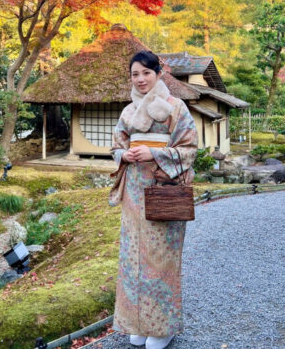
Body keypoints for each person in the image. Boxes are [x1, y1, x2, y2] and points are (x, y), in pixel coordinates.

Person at [108, 50, 198, 349]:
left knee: (160, 260)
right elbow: (116, 147)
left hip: (163, 189)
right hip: (134, 191)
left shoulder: (176, 107)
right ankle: (137, 323)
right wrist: (126, 154)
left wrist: (154, 153)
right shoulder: (127, 112)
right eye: (135, 74)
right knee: (133, 258)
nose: (141, 79)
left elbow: (189, 148)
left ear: (159, 73)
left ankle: (162, 327)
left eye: (146, 72)